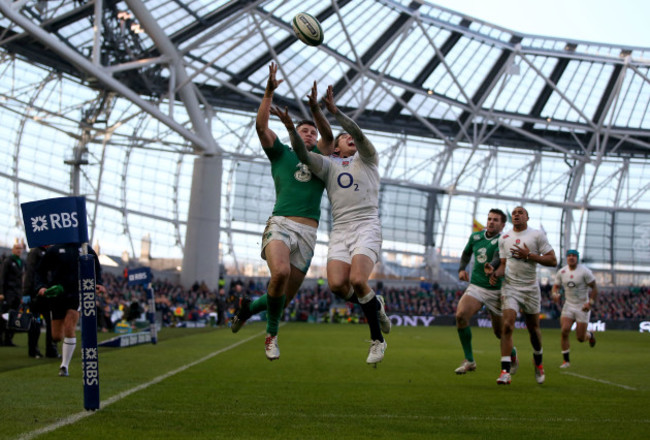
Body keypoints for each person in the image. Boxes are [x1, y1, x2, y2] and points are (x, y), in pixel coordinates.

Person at [272, 84, 390, 365]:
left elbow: (358, 132)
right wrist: (291, 129)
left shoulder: (368, 158)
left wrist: (334, 111)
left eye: (351, 136)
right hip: (340, 230)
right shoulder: (328, 165)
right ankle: (375, 304)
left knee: (358, 280)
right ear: (335, 148)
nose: (350, 137)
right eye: (343, 137)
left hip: (366, 225)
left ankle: (377, 341)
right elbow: (302, 154)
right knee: (337, 285)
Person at [232, 62, 335, 361]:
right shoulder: (282, 154)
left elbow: (329, 139)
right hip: (281, 223)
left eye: (312, 133)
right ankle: (271, 335)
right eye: (304, 130)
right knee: (280, 273)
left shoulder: (321, 159)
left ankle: (247, 308)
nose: (310, 135)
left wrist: (317, 111)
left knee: (281, 297)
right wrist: (268, 92)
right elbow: (262, 127)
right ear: (295, 134)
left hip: (309, 232)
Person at [488, 206, 556, 385]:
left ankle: (538, 362)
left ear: (527, 217)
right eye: (514, 213)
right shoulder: (505, 237)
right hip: (511, 287)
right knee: (507, 326)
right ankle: (505, 371)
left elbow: (553, 260)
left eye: (520, 212)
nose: (517, 214)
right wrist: (496, 273)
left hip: (531, 288)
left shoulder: (537, 235)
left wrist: (530, 255)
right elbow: (503, 264)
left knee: (533, 329)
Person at [454, 209, 519, 374]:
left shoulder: (505, 240)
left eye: (495, 220)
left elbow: (499, 257)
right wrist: (462, 269)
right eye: (489, 219)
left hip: (497, 290)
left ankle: (512, 353)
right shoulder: (476, 237)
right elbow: (467, 252)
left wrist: (493, 267)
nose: (491, 222)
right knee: (461, 316)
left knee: (499, 332)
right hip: (477, 286)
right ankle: (469, 360)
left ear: (503, 225)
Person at [34, 243, 105, 377]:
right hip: (57, 293)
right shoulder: (54, 249)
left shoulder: (85, 248)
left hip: (76, 292)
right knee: (56, 336)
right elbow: (40, 270)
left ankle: (64, 366)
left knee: (69, 327)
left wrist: (99, 282)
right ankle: (62, 354)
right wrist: (41, 286)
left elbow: (96, 266)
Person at [552, 249, 598, 368]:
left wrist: (590, 303)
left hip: (582, 306)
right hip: (569, 305)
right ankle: (566, 361)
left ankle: (590, 336)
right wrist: (555, 294)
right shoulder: (562, 272)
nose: (571, 258)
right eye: (569, 256)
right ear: (566, 258)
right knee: (564, 330)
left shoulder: (585, 272)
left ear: (577, 258)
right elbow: (556, 286)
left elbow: (595, 288)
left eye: (574, 256)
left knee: (581, 338)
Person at [24, 244, 59, 358]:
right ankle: (33, 350)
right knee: (35, 322)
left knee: (50, 322)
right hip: (36, 293)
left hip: (48, 293)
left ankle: (51, 350)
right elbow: (30, 272)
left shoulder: (50, 252)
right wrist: (27, 292)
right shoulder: (35, 252)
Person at [0, 242, 25, 347]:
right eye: (17, 248)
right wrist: (1, 292)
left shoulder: (22, 262)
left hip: (17, 294)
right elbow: (2, 277)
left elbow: (22, 279)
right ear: (13, 250)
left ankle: (9, 339)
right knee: (3, 316)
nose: (19, 250)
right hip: (8, 293)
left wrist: (22, 294)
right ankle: (0, 339)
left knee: (14, 317)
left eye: (20, 248)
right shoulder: (8, 261)